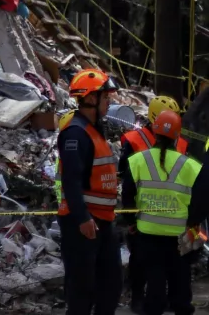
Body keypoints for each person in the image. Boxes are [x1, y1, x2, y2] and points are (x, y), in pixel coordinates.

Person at [121, 110, 209, 315]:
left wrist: (131, 221)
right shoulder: (190, 166)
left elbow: (127, 195)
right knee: (180, 283)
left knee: (155, 283)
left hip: (148, 234)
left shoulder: (138, 161)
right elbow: (203, 198)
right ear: (177, 136)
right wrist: (192, 221)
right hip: (179, 236)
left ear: (155, 133)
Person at [56, 69, 121, 315]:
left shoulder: (94, 129)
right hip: (82, 223)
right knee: (82, 289)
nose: (109, 102)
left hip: (102, 222)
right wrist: (82, 217)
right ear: (91, 98)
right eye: (106, 97)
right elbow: (71, 181)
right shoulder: (75, 133)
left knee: (110, 285)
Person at [120, 96, 187, 312]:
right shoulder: (133, 139)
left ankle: (161, 300)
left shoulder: (182, 142)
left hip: (166, 214)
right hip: (145, 213)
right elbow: (126, 178)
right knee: (141, 261)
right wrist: (130, 216)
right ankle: (138, 297)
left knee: (166, 266)